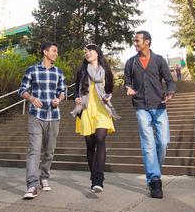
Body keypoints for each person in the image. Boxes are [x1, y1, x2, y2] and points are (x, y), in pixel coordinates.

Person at [124, 30, 175, 199]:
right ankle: (154, 180)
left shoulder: (159, 60)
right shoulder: (131, 62)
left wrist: (170, 92)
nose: (135, 43)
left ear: (147, 42)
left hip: (159, 106)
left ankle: (155, 170)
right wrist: (128, 88)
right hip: (141, 106)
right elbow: (127, 81)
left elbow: (169, 80)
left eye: (137, 40)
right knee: (148, 144)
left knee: (163, 142)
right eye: (134, 40)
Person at [18, 42, 66, 199]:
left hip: (54, 116)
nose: (56, 53)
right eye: (54, 51)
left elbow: (63, 91)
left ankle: (44, 176)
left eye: (56, 51)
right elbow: (23, 90)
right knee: (34, 150)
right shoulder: (32, 70)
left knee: (49, 151)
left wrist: (59, 99)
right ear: (45, 52)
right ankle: (32, 185)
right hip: (36, 115)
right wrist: (31, 98)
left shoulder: (58, 72)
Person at [70, 44, 120, 193]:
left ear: (97, 53)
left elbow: (110, 88)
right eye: (85, 51)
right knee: (90, 145)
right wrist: (76, 98)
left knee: (100, 139)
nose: (87, 53)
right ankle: (93, 176)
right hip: (86, 109)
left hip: (102, 109)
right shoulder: (82, 71)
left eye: (90, 50)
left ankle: (99, 179)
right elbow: (76, 90)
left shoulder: (106, 71)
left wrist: (109, 95)